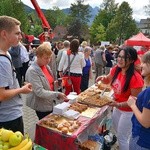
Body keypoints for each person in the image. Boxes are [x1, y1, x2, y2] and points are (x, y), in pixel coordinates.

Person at [96, 46, 144, 150]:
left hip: (128, 112)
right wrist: (102, 78)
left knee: (122, 137)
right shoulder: (116, 69)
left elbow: (134, 101)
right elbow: (107, 79)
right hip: (117, 108)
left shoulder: (136, 78)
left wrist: (118, 104)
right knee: (119, 132)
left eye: (124, 58)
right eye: (119, 56)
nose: (120, 59)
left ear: (131, 60)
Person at [0, 16, 32, 134]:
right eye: (17, 33)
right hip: (9, 117)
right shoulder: (2, 60)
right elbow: (1, 95)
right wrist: (21, 90)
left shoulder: (6, 53)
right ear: (4, 34)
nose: (20, 37)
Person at [25, 43, 67, 120]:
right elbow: (39, 92)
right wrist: (57, 94)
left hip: (49, 101)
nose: (48, 60)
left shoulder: (46, 66)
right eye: (46, 58)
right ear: (38, 57)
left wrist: (55, 84)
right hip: (41, 105)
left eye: (49, 58)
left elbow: (48, 82)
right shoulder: (32, 71)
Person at [127, 51, 150, 150]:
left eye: (144, 62)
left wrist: (133, 105)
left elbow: (146, 122)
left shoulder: (149, 92)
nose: (141, 65)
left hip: (142, 140)